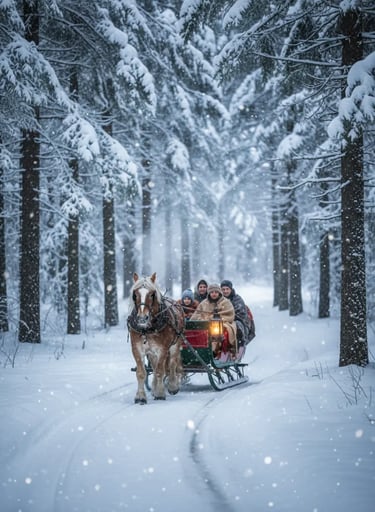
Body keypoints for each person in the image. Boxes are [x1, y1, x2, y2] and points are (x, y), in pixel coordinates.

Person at [191, 283, 237, 347]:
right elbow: (196, 315)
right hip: (204, 325)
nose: (214, 294)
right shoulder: (204, 303)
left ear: (219, 293)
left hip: (222, 324)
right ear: (209, 293)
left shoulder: (226, 302)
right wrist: (203, 319)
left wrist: (215, 319)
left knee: (221, 332)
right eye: (212, 292)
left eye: (216, 292)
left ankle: (219, 349)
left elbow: (229, 315)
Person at [220, 279, 255, 345]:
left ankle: (237, 344)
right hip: (221, 322)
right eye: (223, 289)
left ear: (231, 289)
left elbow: (240, 315)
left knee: (236, 327)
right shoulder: (218, 299)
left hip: (235, 321)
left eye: (227, 289)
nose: (225, 291)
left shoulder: (237, 300)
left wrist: (228, 318)